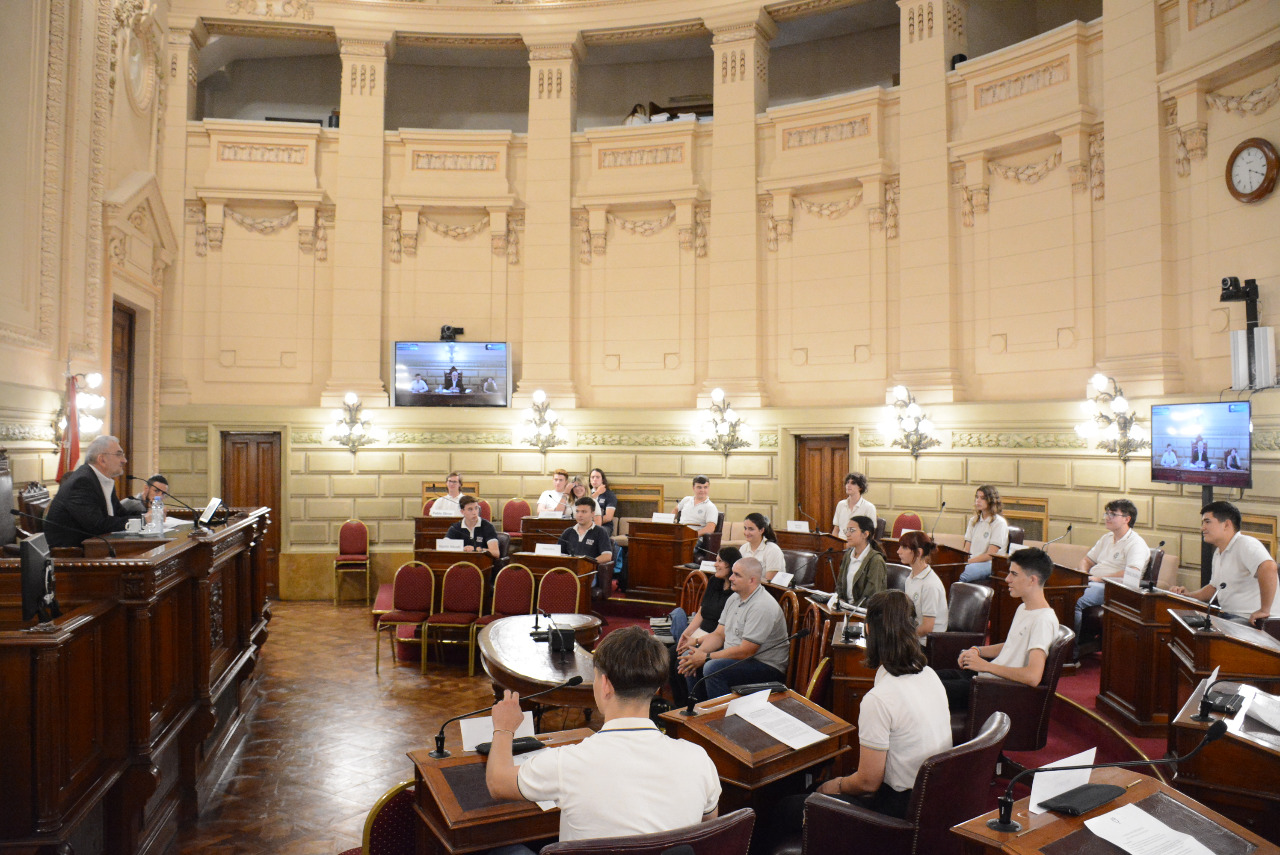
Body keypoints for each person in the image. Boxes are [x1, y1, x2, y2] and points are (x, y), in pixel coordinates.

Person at [485, 627, 720, 844]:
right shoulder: (699, 759)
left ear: (605, 684)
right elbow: (707, 833)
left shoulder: (566, 763)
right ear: (657, 687)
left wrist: (504, 728)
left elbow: (497, 782)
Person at [777, 590, 951, 829]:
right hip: (932, 801)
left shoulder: (879, 699)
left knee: (786, 807)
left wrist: (834, 785)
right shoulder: (929, 675)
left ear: (868, 630)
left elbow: (868, 783)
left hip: (896, 815)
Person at [935, 547, 1060, 711]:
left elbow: (1032, 676)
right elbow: (1011, 645)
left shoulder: (1043, 620)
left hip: (997, 690)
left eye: (1014, 574)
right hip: (988, 678)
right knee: (927, 677)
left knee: (927, 690)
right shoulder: (1023, 608)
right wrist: (977, 650)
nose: (1007, 579)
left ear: (1032, 580)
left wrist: (985, 666)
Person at [676, 557, 789, 700]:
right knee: (689, 657)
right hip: (738, 657)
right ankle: (698, 709)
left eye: (737, 575)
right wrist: (698, 654)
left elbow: (746, 651)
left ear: (752, 580)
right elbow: (718, 635)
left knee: (712, 668)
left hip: (766, 666)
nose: (730, 578)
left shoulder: (762, 606)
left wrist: (706, 657)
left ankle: (720, 713)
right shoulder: (734, 598)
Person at [1172, 501, 1279, 624]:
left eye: (1207, 522)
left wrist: (1264, 610)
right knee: (1184, 624)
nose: (1202, 528)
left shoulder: (1246, 543)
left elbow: (1269, 567)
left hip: (1250, 619)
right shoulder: (1218, 552)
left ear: (1226, 524)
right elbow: (1214, 588)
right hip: (1228, 616)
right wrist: (1188, 596)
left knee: (1205, 632)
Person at [44, 435, 147, 548]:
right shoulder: (82, 482)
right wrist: (143, 520)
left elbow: (120, 513)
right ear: (102, 459)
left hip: (95, 547)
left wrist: (146, 516)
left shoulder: (101, 479)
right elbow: (98, 525)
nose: (124, 460)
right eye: (119, 454)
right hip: (74, 553)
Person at [1073, 499, 1149, 638]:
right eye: (1106, 513)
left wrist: (1098, 579)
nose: (1107, 517)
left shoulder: (1136, 543)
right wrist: (1083, 575)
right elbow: (1086, 560)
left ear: (1127, 519)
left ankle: (1072, 648)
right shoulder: (1106, 538)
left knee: (1075, 599)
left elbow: (1131, 574)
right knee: (1060, 592)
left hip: (1112, 589)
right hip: (1091, 581)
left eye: (1113, 514)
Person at [898, 530, 947, 639]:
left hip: (926, 642)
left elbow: (927, 628)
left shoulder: (930, 584)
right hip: (915, 637)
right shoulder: (910, 578)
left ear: (919, 552)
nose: (898, 551)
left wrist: (902, 637)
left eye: (904, 548)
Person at [958, 485, 1009, 582]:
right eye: (977, 497)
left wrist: (967, 562)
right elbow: (966, 549)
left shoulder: (999, 523)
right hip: (971, 561)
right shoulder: (973, 521)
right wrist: (961, 561)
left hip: (989, 564)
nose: (978, 501)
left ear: (991, 500)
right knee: (951, 571)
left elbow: (990, 554)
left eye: (982, 498)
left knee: (961, 575)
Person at [835, 515, 887, 606]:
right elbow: (840, 584)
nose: (847, 534)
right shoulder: (848, 555)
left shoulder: (876, 560)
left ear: (865, 534)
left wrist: (850, 609)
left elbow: (871, 596)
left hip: (864, 611)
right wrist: (840, 601)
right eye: (847, 530)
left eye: (852, 530)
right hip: (845, 608)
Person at [558, 497, 614, 572]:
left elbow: (607, 556)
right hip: (569, 570)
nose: (579, 515)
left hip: (589, 571)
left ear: (593, 514)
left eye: (584, 512)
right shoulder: (568, 532)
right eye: (577, 511)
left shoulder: (600, 532)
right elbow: (558, 553)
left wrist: (585, 564)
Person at [445, 495, 500, 560]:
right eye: (470, 509)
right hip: (461, 562)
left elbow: (495, 553)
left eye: (476, 508)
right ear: (462, 512)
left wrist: (475, 549)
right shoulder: (455, 528)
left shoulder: (488, 526)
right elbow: (444, 548)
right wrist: (461, 549)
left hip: (482, 562)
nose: (474, 512)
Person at [740, 512, 786, 582]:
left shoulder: (773, 550)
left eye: (751, 529)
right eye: (745, 528)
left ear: (761, 530)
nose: (746, 532)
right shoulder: (743, 548)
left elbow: (769, 582)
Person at [831, 472, 877, 538]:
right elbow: (836, 530)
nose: (848, 485)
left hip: (858, 543)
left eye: (853, 483)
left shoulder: (869, 507)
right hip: (840, 542)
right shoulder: (840, 504)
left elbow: (870, 534)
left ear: (860, 487)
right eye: (847, 482)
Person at [589, 468, 618, 536]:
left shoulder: (609, 495)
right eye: (592, 477)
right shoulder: (587, 493)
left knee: (597, 532)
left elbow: (608, 517)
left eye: (597, 477)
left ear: (602, 480)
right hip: (587, 524)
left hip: (604, 526)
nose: (594, 479)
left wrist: (593, 524)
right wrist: (597, 493)